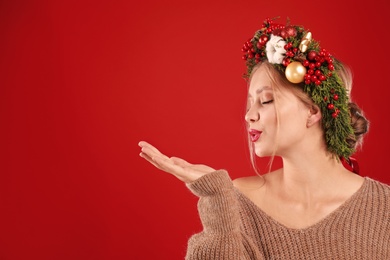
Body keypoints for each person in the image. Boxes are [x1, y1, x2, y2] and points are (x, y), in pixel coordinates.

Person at [138, 17, 390, 259]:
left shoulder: (384, 208)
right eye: (249, 104)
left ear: (313, 111)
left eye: (266, 100)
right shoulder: (234, 200)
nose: (249, 116)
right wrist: (216, 200)